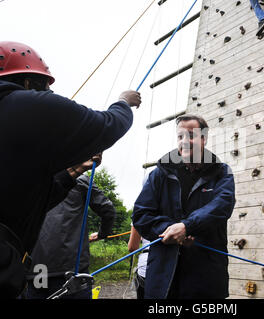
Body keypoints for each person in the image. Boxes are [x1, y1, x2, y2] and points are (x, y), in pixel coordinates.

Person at [0, 41, 141, 298]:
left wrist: (72, 172)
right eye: (43, 85)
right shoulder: (27, 104)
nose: (48, 92)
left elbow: (22, 199)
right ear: (28, 83)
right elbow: (107, 127)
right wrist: (123, 103)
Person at [132, 114, 236, 299]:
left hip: (206, 276)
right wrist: (170, 230)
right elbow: (141, 215)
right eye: (180, 136)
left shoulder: (222, 172)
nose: (184, 141)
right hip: (163, 276)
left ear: (203, 139)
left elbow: (223, 205)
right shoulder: (159, 174)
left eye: (191, 135)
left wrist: (188, 226)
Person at [25, 154, 117, 299]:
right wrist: (102, 234)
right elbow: (108, 210)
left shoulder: (33, 181)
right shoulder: (80, 180)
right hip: (71, 269)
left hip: (37, 268)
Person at [128, 225, 150, 299]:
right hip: (177, 263)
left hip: (147, 266)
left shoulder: (140, 214)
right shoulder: (184, 214)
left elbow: (133, 247)